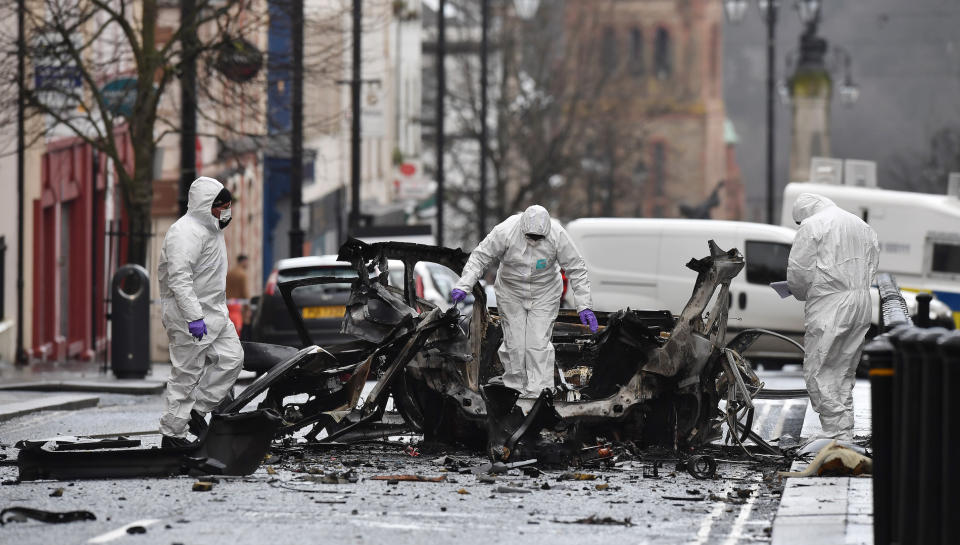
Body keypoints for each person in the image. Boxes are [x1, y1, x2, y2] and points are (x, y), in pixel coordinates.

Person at [449, 205, 597, 398]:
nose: (535, 241)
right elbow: (480, 257)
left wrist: (584, 305)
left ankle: (539, 394)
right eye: (531, 237)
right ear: (522, 228)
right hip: (511, 292)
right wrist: (464, 284)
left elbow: (576, 268)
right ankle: (515, 391)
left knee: (538, 344)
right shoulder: (505, 231)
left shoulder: (557, 234)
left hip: (545, 292)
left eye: (539, 238)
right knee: (515, 344)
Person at [157, 176, 244, 448]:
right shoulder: (184, 233)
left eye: (229, 206)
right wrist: (194, 317)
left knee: (232, 359)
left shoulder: (212, 230)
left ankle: (196, 410)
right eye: (221, 206)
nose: (226, 212)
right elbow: (179, 280)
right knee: (185, 375)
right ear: (206, 205)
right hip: (190, 318)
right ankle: (172, 435)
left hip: (216, 314)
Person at [787, 193, 879, 441]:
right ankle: (843, 431)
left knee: (820, 367)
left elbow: (799, 274)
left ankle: (835, 433)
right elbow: (872, 264)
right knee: (844, 368)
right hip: (860, 301)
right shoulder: (861, 225)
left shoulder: (812, 225)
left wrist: (797, 291)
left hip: (830, 303)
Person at [226, 255, 251, 336]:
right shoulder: (242, 274)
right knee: (241, 331)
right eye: (247, 262)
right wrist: (248, 308)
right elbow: (245, 292)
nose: (248, 264)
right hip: (239, 308)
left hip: (228, 305)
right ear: (243, 262)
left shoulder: (229, 273)